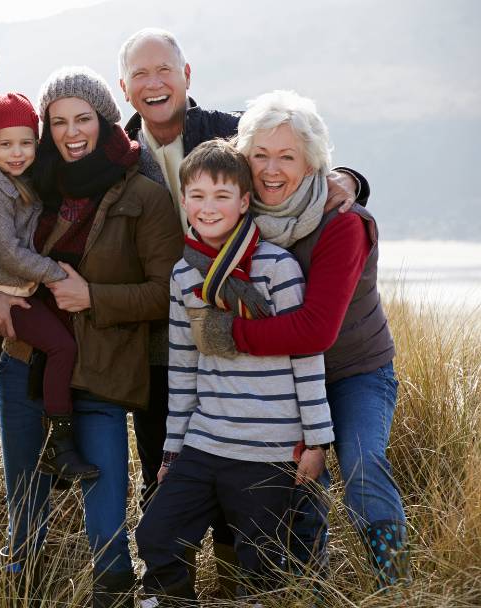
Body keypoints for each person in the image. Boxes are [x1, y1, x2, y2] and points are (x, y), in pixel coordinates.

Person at [116, 28, 365, 593]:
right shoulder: (121, 156)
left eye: (165, 70)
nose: (154, 83)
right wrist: (175, 448)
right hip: (173, 358)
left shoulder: (229, 138)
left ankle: (247, 591)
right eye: (140, 74)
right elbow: (185, 369)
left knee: (261, 548)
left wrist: (346, 178)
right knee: (161, 526)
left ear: (186, 75)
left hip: (266, 426)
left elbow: (291, 148)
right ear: (125, 86)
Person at [0, 66, 181, 607]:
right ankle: (22, 583)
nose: (71, 132)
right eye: (58, 121)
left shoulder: (144, 191)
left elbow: (166, 293)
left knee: (105, 487)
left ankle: (112, 587)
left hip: (105, 361)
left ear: (105, 118)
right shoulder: (30, 177)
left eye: (83, 118)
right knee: (24, 487)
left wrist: (94, 298)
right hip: (27, 356)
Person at [189, 90, 411, 588]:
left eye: (287, 156)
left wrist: (228, 334)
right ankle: (311, 588)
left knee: (360, 463)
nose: (272, 169)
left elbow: (316, 328)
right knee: (297, 483)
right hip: (283, 376)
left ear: (313, 164)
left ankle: (396, 583)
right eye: (260, 155)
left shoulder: (344, 223)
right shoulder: (239, 222)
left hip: (355, 371)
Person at [134, 139, 334, 604]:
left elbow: (306, 357)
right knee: (156, 535)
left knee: (260, 562)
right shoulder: (184, 275)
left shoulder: (277, 269)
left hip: (268, 447)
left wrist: (318, 440)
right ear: (183, 201)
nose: (208, 208)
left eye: (222, 196)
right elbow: (184, 369)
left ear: (244, 202)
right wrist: (171, 452)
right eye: (198, 196)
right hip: (205, 441)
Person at [0, 92, 98, 481]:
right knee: (62, 347)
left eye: (26, 142)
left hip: (21, 287)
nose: (17, 152)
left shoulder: (20, 181)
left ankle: (53, 441)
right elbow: (8, 253)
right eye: (6, 144)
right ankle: (60, 446)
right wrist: (56, 274)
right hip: (7, 291)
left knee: (61, 346)